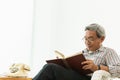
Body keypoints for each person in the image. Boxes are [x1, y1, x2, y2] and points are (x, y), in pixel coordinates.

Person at [33, 23, 120, 80]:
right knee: (50, 67)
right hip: (76, 76)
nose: (87, 42)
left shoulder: (108, 52)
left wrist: (97, 67)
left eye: (90, 39)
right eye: (85, 39)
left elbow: (118, 70)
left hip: (89, 78)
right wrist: (62, 63)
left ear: (101, 39)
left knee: (50, 68)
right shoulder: (83, 52)